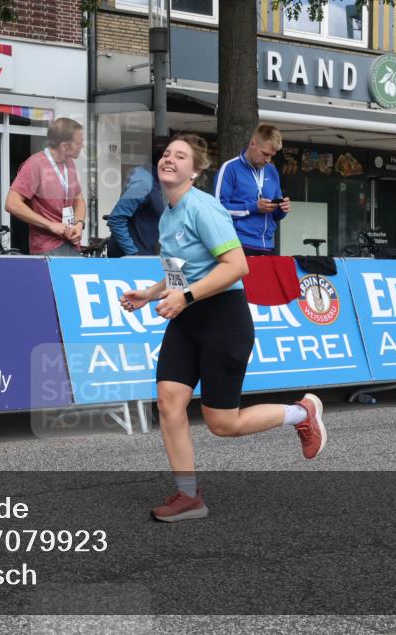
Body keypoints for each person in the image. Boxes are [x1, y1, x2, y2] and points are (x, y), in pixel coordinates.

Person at [118, 134, 326, 523]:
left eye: (181, 156)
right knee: (168, 403)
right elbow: (180, 273)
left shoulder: (204, 208)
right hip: (187, 319)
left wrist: (186, 297)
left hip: (223, 320)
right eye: (166, 154)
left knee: (223, 424)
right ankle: (188, 496)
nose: (169, 159)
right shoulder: (168, 215)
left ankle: (302, 413)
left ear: (194, 171)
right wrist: (150, 293)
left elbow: (237, 266)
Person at [5, 117, 85, 256]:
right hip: (47, 248)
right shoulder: (34, 165)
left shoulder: (69, 163)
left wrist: (79, 224)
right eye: (78, 143)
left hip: (71, 244)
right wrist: (50, 225)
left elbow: (79, 200)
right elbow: (11, 204)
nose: (82, 146)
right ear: (64, 146)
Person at [212, 123, 290, 256]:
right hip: (237, 244)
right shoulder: (229, 168)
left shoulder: (271, 170)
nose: (268, 160)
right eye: (265, 154)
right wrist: (254, 207)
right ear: (252, 143)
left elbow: (275, 215)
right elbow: (217, 210)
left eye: (271, 155)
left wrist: (282, 209)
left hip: (268, 245)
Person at [106, 136, 169, 257]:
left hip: (148, 255)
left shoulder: (156, 180)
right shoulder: (143, 182)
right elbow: (116, 219)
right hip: (136, 260)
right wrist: (133, 254)